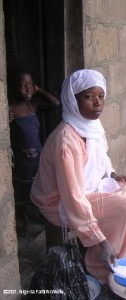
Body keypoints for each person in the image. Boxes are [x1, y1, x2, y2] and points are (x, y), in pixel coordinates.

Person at [30, 69, 126, 284]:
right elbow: (72, 197)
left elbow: (101, 158)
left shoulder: (91, 127)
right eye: (88, 96)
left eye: (101, 96)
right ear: (73, 101)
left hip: (87, 188)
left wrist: (113, 175)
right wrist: (100, 240)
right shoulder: (66, 142)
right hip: (58, 202)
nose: (97, 103)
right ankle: (107, 263)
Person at [8, 68, 60, 236]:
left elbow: (56, 103)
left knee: (39, 189)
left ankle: (36, 216)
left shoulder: (32, 105)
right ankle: (23, 223)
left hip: (38, 159)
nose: (28, 89)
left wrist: (39, 90)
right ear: (13, 88)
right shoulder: (10, 110)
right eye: (24, 86)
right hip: (22, 162)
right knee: (22, 194)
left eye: (30, 85)